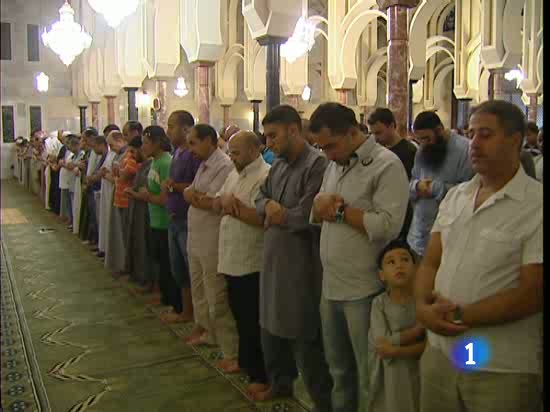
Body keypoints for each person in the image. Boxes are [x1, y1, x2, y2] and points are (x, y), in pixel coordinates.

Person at [416, 100, 542, 412]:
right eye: (471, 134)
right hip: (440, 354)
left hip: (497, 363)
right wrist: (422, 308)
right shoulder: (456, 196)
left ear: (515, 140)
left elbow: (532, 293)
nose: (474, 143)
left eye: (485, 135)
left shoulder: (535, 205)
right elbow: (430, 262)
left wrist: (458, 316)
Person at [309, 102, 409, 412]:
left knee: (369, 373)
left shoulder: (386, 165)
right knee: (338, 371)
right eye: (321, 148)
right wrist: (321, 206)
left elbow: (387, 226)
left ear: (353, 132)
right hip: (331, 286)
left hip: (364, 289)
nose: (327, 154)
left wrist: (340, 211)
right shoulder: (334, 164)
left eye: (331, 146)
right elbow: (319, 210)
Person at [252, 105, 333, 410]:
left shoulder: (317, 165)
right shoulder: (278, 165)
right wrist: (269, 207)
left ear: (294, 131)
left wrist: (280, 214)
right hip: (273, 258)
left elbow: (309, 215)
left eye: (273, 136)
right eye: (266, 136)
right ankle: (280, 383)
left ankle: (323, 403)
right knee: (270, 327)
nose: (268, 143)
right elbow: (259, 197)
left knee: (304, 337)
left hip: (301, 264)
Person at [212, 131, 270, 383]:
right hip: (231, 257)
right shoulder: (234, 173)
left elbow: (261, 218)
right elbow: (217, 202)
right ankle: (246, 364)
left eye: (235, 152)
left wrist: (232, 206)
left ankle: (260, 374)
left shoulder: (265, 175)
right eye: (230, 152)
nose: (231, 157)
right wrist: (227, 203)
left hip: (252, 261)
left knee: (253, 320)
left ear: (254, 150)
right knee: (239, 316)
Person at [183, 124, 238, 370]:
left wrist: (195, 196)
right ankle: (207, 331)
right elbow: (192, 192)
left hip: (212, 237)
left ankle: (230, 348)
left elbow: (213, 202)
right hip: (196, 234)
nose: (191, 149)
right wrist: (195, 195)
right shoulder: (204, 164)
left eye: (194, 143)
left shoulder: (223, 165)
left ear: (208, 140)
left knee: (216, 292)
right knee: (199, 286)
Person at [407, 111, 474, 261]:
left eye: (426, 138)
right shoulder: (422, 150)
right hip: (418, 235)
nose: (423, 143)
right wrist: (417, 186)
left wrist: (434, 188)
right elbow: (412, 182)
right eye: (419, 139)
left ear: (439, 130)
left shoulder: (465, 150)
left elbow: (469, 192)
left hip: (449, 238)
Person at [367, 240, 425, 412]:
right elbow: (381, 344)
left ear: (416, 268)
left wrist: (396, 351)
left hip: (421, 370)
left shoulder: (423, 301)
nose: (399, 265)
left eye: (405, 260)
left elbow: (430, 346)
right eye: (391, 262)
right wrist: (416, 332)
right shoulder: (379, 304)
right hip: (392, 375)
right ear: (381, 275)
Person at [131, 126, 181, 316]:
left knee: (169, 265)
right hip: (155, 220)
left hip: (165, 221)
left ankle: (173, 302)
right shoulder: (155, 161)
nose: (142, 147)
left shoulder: (166, 162)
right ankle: (163, 296)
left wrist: (147, 197)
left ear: (157, 143)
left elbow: (166, 198)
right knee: (159, 261)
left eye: (146, 143)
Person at [160, 110, 202, 324]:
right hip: (174, 217)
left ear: (186, 128)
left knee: (190, 269)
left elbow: (197, 185)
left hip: (187, 219)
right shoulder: (177, 151)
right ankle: (185, 311)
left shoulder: (194, 154)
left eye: (171, 126)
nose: (168, 131)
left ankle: (196, 315)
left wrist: (174, 186)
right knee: (179, 270)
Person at [368, 107, 417, 239]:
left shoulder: (409, 151)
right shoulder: (376, 151)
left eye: (379, 133)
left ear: (391, 126)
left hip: (401, 214)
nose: (375, 138)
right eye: (372, 134)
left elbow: (409, 186)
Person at [124, 136, 154, 290]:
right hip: (138, 210)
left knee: (145, 245)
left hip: (146, 212)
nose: (131, 155)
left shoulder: (152, 166)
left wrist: (133, 193)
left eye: (133, 151)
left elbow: (147, 192)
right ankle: (138, 274)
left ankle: (146, 279)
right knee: (137, 242)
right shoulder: (143, 165)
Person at [104, 131, 129, 275]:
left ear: (120, 140)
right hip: (117, 196)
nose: (111, 148)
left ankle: (123, 264)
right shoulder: (118, 154)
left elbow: (122, 176)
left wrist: (113, 175)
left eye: (112, 145)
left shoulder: (126, 154)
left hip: (124, 199)